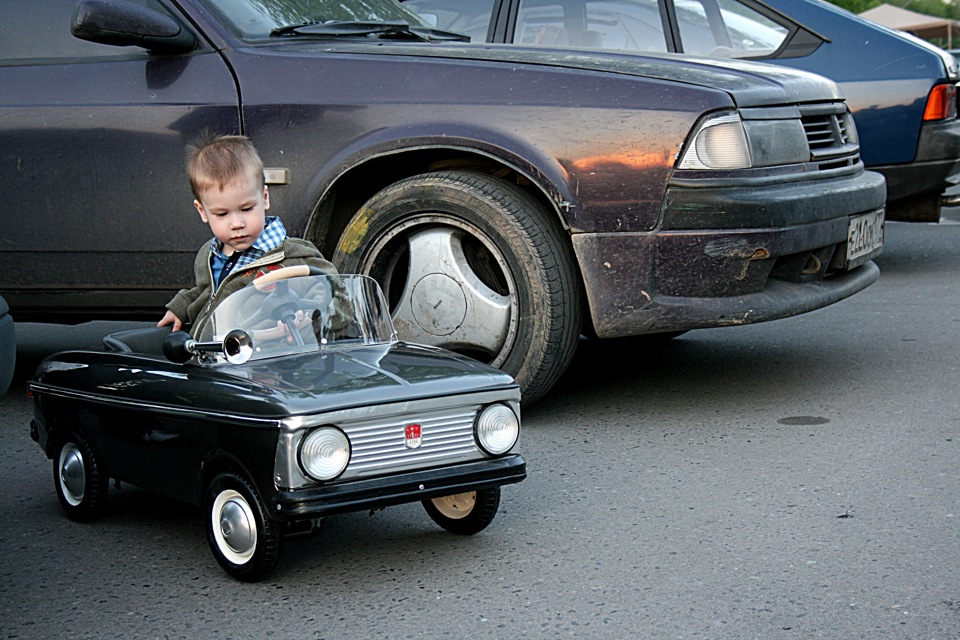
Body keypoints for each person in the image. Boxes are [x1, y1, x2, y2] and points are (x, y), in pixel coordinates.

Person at [158, 134, 341, 340]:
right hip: (213, 355)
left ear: (264, 198)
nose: (237, 223)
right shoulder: (210, 255)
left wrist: (311, 318)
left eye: (246, 209)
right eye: (222, 214)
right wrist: (182, 307)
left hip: (265, 362)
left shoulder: (293, 256)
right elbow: (209, 294)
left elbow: (336, 293)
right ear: (202, 211)